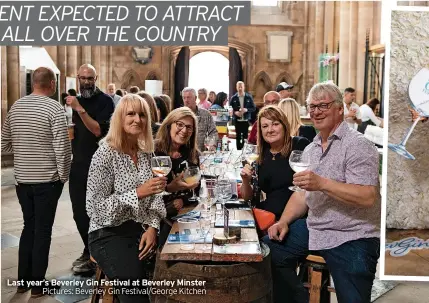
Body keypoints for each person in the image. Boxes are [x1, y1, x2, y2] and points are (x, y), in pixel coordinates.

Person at [263, 82, 380, 303]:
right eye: (312, 106)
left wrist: (323, 184)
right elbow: (300, 194)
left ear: (339, 109)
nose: (316, 112)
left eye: (323, 105)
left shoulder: (358, 145)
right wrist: (284, 221)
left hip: (352, 235)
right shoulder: (311, 148)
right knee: (267, 253)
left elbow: (367, 197)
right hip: (315, 228)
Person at [86, 94, 166, 303]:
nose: (137, 120)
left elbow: (156, 197)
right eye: (130, 114)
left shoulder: (145, 153)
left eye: (142, 115)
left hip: (138, 228)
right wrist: (138, 192)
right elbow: (95, 209)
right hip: (107, 233)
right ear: (119, 118)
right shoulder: (105, 154)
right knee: (136, 293)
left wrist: (152, 226)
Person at [1, 67, 72, 297]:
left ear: (33, 83)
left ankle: (23, 281)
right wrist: (63, 176)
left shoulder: (16, 106)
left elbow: (3, 143)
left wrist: (22, 150)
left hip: (23, 182)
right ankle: (38, 286)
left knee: (28, 228)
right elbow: (62, 148)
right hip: (46, 182)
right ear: (52, 84)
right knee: (42, 231)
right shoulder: (54, 108)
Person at [65, 64, 115, 274]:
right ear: (77, 78)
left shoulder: (105, 101)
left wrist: (79, 109)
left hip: (100, 165)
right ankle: (89, 249)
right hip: (78, 164)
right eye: (83, 78)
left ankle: (97, 253)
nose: (86, 82)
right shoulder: (72, 100)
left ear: (96, 78)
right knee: (79, 213)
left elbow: (98, 131)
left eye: (90, 78)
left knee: (97, 212)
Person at [240, 106, 309, 220]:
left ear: (284, 125)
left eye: (275, 124)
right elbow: (248, 197)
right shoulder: (260, 155)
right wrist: (245, 181)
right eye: (265, 126)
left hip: (295, 217)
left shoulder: (299, 145)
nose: (270, 130)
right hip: (267, 217)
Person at [154, 107, 201, 245]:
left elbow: (196, 189)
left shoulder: (192, 154)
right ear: (169, 125)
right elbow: (148, 193)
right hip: (159, 217)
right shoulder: (154, 152)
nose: (184, 130)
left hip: (185, 213)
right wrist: (170, 188)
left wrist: (182, 199)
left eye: (189, 127)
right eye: (179, 124)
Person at [182, 87, 218, 151]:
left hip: (201, 153)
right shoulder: (178, 115)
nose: (186, 100)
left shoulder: (206, 114)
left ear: (195, 98)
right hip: (182, 154)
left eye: (188, 97)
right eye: (184, 98)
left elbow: (213, 132)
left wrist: (212, 144)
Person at [230, 81, 256, 150]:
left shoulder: (249, 97)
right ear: (236, 87)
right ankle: (238, 150)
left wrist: (246, 109)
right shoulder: (233, 98)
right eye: (239, 87)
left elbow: (253, 108)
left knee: (245, 136)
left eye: (241, 86)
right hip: (237, 120)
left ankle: (245, 150)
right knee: (238, 136)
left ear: (244, 87)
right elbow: (230, 108)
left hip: (246, 120)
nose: (240, 88)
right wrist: (235, 112)